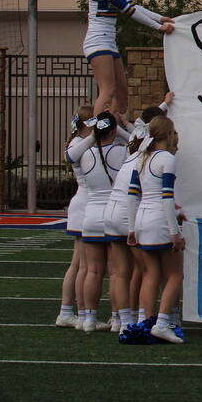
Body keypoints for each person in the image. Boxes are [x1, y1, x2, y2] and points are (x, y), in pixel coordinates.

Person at [103, 93, 173, 331]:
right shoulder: (149, 158)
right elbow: (144, 194)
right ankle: (138, 318)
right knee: (143, 271)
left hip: (111, 209)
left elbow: (142, 123)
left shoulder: (134, 153)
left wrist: (164, 104)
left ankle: (121, 320)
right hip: (128, 210)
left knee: (119, 272)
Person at [81, 0, 174, 116]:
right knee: (107, 90)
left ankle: (114, 127)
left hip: (109, 42)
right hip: (98, 41)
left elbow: (133, 5)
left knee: (122, 95)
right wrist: (158, 27)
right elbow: (129, 11)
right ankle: (98, 130)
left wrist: (160, 18)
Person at [127, 115, 185, 344]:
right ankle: (161, 324)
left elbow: (132, 195)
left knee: (150, 274)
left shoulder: (142, 157)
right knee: (175, 275)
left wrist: (132, 227)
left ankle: (144, 323)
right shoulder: (167, 159)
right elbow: (167, 197)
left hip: (142, 220)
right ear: (168, 135)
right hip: (159, 220)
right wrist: (174, 232)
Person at [68, 111, 126, 332]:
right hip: (112, 217)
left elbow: (69, 156)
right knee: (116, 272)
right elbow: (140, 142)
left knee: (92, 271)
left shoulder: (84, 153)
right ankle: (117, 318)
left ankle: (89, 319)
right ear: (113, 131)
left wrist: (93, 136)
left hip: (90, 217)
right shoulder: (122, 152)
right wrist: (121, 128)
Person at [55, 106, 95, 328]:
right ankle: (77, 313)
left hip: (85, 204)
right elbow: (69, 156)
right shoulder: (78, 143)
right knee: (81, 264)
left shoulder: (82, 142)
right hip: (83, 205)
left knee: (79, 263)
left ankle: (69, 311)